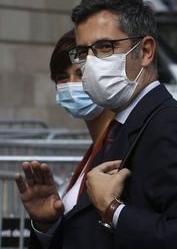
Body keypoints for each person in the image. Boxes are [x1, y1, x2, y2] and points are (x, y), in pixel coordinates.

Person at [16, 0, 177, 249]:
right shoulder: (122, 126)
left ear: (146, 51)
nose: (91, 63)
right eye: (84, 52)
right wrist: (47, 224)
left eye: (105, 47)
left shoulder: (171, 126)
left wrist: (114, 210)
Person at [14, 28, 115, 243]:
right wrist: (46, 224)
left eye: (80, 74)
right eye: (62, 77)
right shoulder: (96, 148)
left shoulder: (121, 146)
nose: (71, 84)